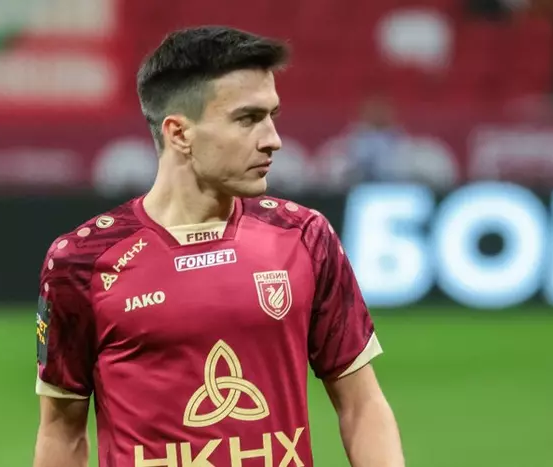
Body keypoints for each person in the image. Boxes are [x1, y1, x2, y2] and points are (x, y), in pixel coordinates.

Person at [34, 26, 404, 467]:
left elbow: (362, 406)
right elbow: (62, 432)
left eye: (272, 116)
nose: (272, 139)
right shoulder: (81, 262)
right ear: (179, 134)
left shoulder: (305, 236)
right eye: (248, 119)